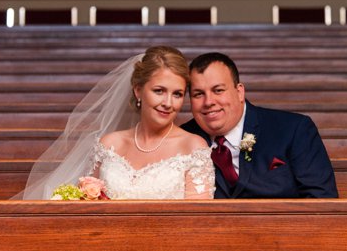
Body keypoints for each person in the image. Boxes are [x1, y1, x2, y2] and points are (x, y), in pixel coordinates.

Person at [20, 46, 214, 200]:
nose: (168, 103)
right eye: (159, 91)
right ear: (138, 90)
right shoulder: (109, 145)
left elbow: (198, 219)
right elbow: (87, 207)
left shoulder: (193, 147)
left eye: (177, 94)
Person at [183, 52, 338, 199]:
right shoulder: (182, 137)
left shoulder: (293, 129)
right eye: (198, 94)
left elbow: (321, 200)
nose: (208, 102)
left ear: (239, 92)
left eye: (218, 90)